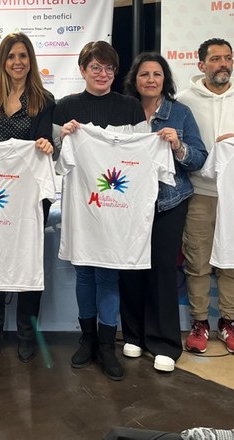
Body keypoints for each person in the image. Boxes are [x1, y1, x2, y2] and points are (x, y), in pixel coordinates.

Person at [53, 41, 145, 381]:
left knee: (108, 276)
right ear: (82, 70)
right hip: (81, 207)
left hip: (117, 209)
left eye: (109, 68)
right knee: (84, 275)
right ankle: (87, 339)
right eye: (95, 67)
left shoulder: (131, 107)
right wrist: (62, 137)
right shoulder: (66, 107)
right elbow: (53, 160)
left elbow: (141, 157)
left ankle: (107, 345)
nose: (103, 74)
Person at [118, 53, 207, 373]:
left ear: (165, 79)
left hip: (168, 202)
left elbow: (199, 158)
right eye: (144, 74)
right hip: (129, 203)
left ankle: (165, 343)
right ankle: (134, 335)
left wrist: (178, 146)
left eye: (157, 74)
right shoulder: (123, 111)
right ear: (135, 79)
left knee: (163, 270)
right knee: (130, 267)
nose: (151, 80)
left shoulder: (180, 113)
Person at [177, 38, 234, 355]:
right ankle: (199, 322)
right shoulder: (184, 100)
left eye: (227, 58)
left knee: (232, 261)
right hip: (199, 193)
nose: (223, 64)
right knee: (197, 261)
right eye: (215, 59)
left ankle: (228, 322)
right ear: (201, 65)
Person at [0, 32, 55, 363]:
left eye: (23, 56)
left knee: (28, 263)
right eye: (11, 56)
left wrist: (46, 144)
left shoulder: (44, 99)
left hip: (30, 195)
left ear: (31, 60)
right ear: (3, 61)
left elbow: (45, 143)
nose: (17, 62)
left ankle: (27, 333)